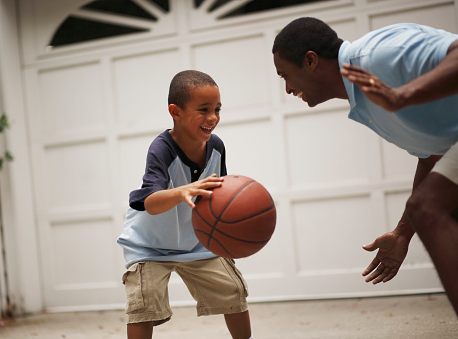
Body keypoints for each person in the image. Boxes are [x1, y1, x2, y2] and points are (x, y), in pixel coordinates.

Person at [272, 17, 458, 316]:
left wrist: (403, 95)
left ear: (310, 61)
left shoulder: (381, 53)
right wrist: (402, 234)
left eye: (285, 76)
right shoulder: (364, 100)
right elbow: (432, 156)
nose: (288, 89)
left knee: (428, 207)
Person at [117, 70, 253, 338]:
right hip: (150, 245)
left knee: (233, 289)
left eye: (217, 109)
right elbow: (151, 203)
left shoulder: (216, 146)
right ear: (175, 112)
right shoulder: (162, 148)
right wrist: (182, 191)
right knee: (145, 302)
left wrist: (234, 227)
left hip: (195, 242)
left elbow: (220, 196)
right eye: (203, 110)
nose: (213, 117)